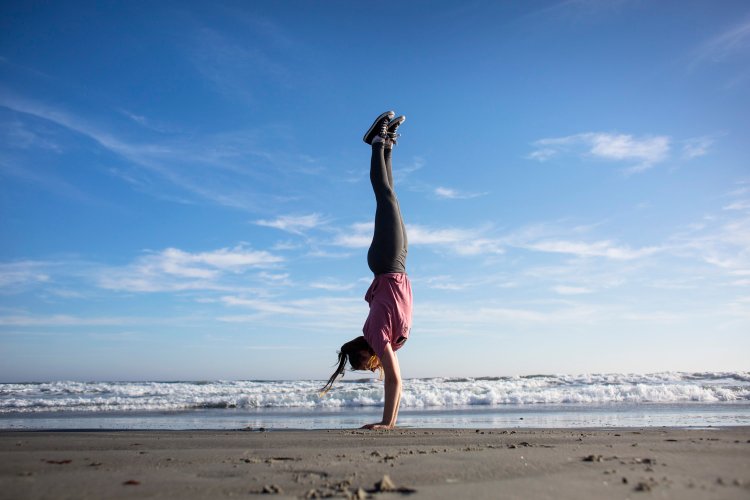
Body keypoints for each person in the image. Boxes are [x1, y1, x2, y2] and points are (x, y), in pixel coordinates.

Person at [320, 110, 413, 430]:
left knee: (385, 197)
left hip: (387, 264)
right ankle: (386, 145)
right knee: (392, 199)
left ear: (364, 353)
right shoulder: (390, 341)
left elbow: (394, 381)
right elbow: (396, 382)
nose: (371, 368)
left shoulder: (376, 335)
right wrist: (391, 423)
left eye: (363, 366)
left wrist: (386, 424)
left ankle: (375, 142)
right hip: (395, 266)